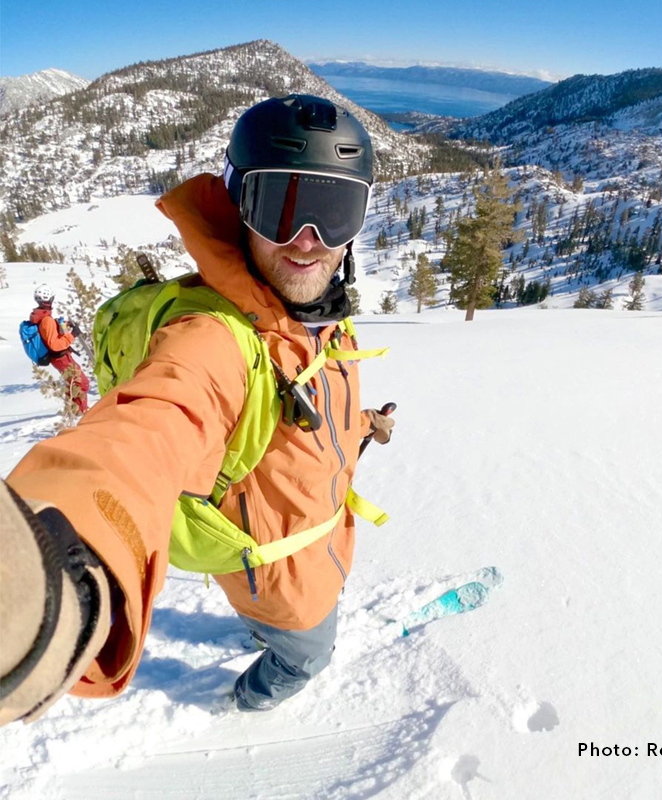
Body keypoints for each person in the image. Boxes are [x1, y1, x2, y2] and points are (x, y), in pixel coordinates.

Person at [0, 94, 395, 726]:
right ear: (240, 207)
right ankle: (243, 703)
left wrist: (359, 421)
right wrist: (44, 564)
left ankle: (262, 638)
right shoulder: (212, 337)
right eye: (281, 207)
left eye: (333, 211)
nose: (306, 242)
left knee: (278, 631)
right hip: (284, 583)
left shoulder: (316, 318)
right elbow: (148, 431)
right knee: (306, 658)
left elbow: (305, 409)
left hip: (311, 551)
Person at [28, 284, 90, 414]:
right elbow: (55, 345)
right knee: (81, 383)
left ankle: (72, 411)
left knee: (72, 383)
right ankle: (80, 413)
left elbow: (51, 334)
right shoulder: (46, 320)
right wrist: (72, 335)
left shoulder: (40, 316)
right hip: (61, 357)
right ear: (50, 299)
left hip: (58, 358)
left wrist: (64, 325)